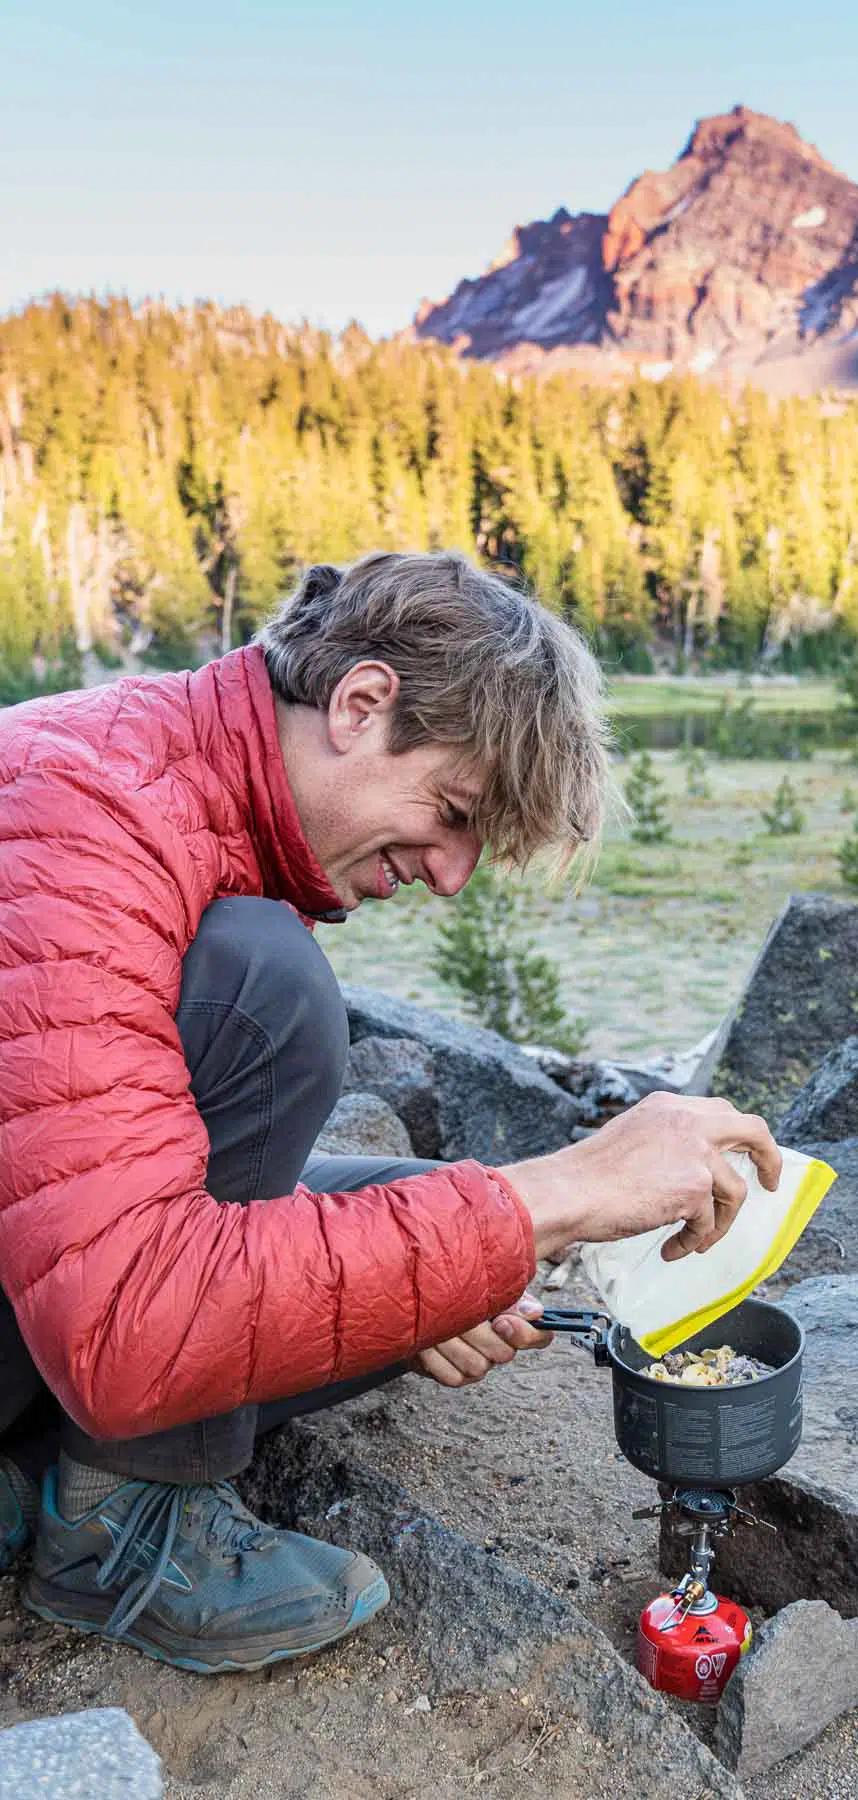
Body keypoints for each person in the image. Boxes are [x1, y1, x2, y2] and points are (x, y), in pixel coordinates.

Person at [0, 550, 779, 1674]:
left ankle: (31, 1487)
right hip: (90, 1317)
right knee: (265, 992)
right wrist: (559, 1193)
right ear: (360, 706)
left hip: (47, 1285)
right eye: (453, 813)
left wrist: (477, 1248)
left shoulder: (190, 788)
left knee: (437, 1227)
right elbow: (128, 1316)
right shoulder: (77, 814)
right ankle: (121, 1529)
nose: (452, 875)